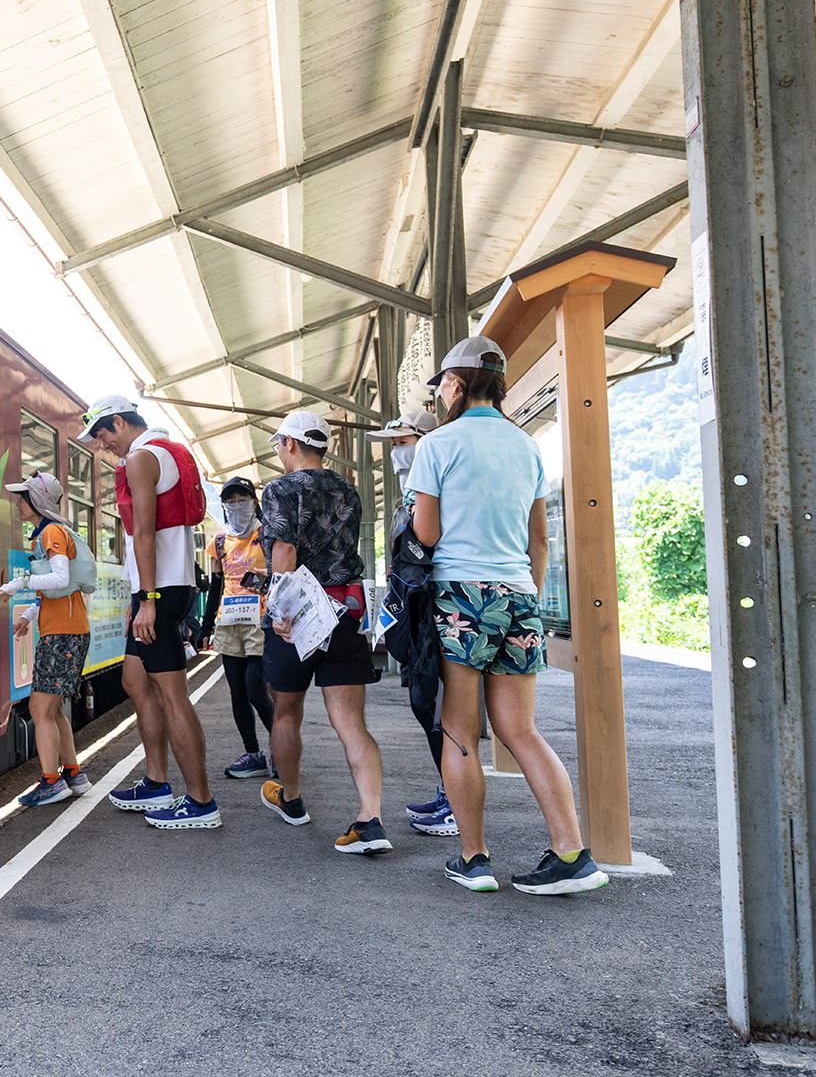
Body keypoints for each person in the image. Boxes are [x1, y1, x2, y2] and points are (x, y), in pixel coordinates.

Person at [408, 336, 608, 895]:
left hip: (459, 595)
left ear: (453, 385)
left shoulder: (439, 444)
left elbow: (427, 533)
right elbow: (539, 539)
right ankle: (572, 853)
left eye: (442, 385)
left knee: (460, 730)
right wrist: (523, 597)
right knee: (521, 730)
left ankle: (474, 859)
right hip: (519, 594)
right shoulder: (526, 447)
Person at [76, 395, 220, 830]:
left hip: (161, 589)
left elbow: (143, 534)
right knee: (134, 680)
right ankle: (156, 782)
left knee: (173, 695)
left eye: (102, 436)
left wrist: (147, 601)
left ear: (118, 422)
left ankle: (200, 802)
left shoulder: (142, 458)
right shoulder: (169, 451)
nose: (103, 447)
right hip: (167, 585)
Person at [256, 410, 391, 855]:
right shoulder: (348, 489)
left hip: (298, 615)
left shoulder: (279, 489)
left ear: (291, 444)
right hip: (344, 611)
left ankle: (290, 798)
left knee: (286, 712)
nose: (278, 452)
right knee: (352, 723)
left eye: (279, 444)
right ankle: (370, 819)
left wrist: (280, 608)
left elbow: (286, 548)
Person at [369, 410, 457, 836]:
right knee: (427, 704)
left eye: (403, 443)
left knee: (441, 708)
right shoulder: (411, 490)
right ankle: (448, 791)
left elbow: (426, 542)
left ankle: (456, 803)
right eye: (394, 445)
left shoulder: (434, 483)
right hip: (416, 608)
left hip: (439, 609)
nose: (397, 453)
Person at [0, 473, 94, 807]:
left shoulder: (50, 532)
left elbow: (60, 576)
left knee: (38, 708)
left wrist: (17, 584)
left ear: (36, 501)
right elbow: (56, 590)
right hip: (65, 629)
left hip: (63, 633)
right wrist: (29, 616)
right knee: (53, 709)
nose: (18, 504)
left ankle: (51, 782)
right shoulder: (50, 533)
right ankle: (73, 774)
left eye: (22, 498)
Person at [201, 476, 274, 780]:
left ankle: (282, 747)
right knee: (236, 691)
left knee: (256, 688)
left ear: (254, 502)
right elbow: (216, 585)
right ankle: (253, 753)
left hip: (259, 620)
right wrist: (206, 626)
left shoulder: (268, 535)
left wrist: (265, 577)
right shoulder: (219, 541)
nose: (235, 506)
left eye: (241, 499)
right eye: (229, 501)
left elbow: (284, 573)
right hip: (228, 622)